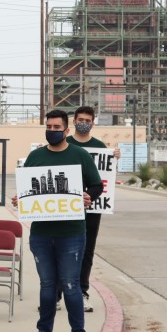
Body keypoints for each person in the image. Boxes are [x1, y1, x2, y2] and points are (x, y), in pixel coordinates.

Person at [11, 109, 102, 332]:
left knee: (71, 284)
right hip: (41, 233)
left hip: (72, 232)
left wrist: (88, 196)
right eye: (49, 127)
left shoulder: (80, 155)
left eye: (56, 128)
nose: (52, 131)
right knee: (47, 285)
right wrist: (20, 199)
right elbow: (28, 189)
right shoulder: (35, 157)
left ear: (66, 130)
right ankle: (43, 331)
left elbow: (96, 185)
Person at [62, 105, 121, 313]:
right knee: (63, 249)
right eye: (80, 119)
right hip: (65, 207)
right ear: (74, 121)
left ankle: (82, 291)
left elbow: (106, 176)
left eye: (87, 120)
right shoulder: (64, 143)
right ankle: (60, 293)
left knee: (87, 250)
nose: (83, 123)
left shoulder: (99, 146)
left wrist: (114, 158)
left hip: (92, 208)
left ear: (93, 123)